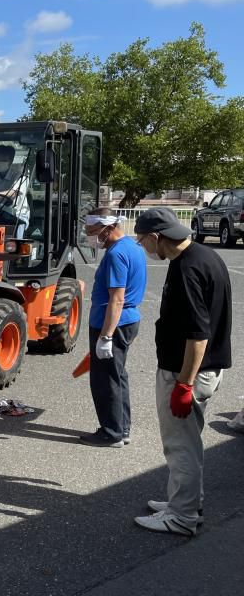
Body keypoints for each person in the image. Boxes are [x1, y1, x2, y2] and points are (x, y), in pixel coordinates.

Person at [133, 208, 233, 536]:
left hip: (187, 373)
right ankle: (186, 501)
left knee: (180, 446)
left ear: (156, 237)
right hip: (202, 371)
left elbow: (198, 334)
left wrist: (183, 385)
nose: (143, 245)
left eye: (143, 239)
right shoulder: (204, 256)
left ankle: (182, 517)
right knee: (188, 443)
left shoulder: (187, 269)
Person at [80, 209, 147, 448]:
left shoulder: (116, 254)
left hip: (113, 324)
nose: (90, 237)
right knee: (117, 376)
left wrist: (105, 336)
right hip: (127, 321)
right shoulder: (132, 247)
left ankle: (111, 432)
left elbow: (116, 299)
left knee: (105, 379)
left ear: (108, 228)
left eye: (92, 232)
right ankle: (122, 428)